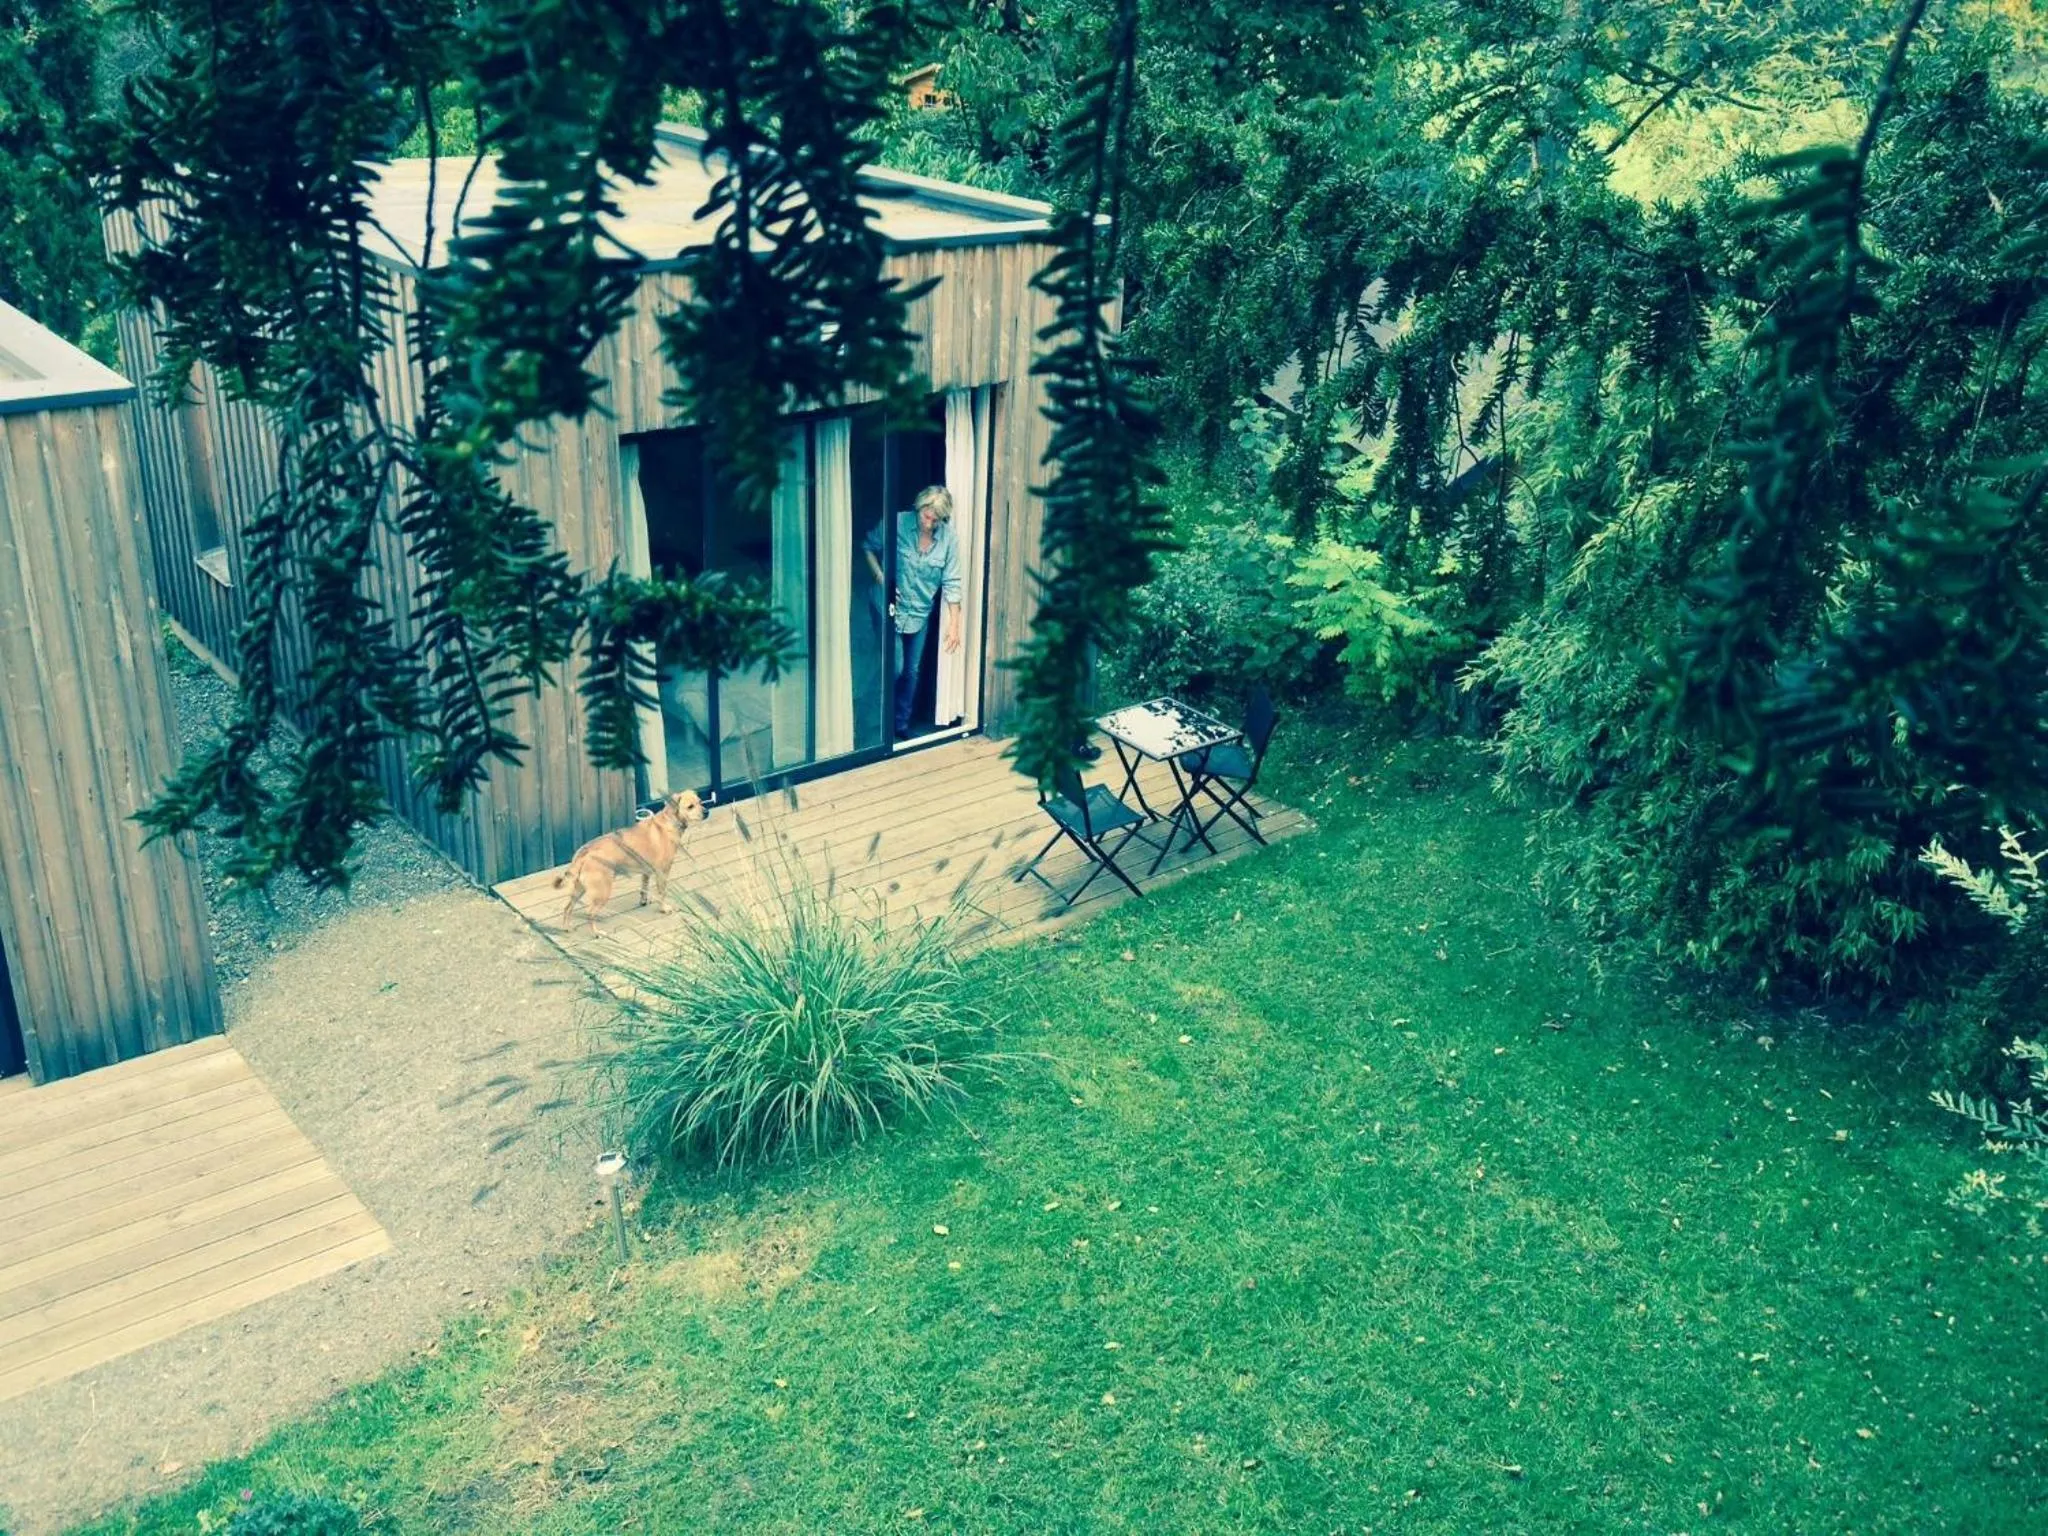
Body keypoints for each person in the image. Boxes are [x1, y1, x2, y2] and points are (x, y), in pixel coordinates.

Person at [864, 484, 964, 738]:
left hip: (919, 613)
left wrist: (955, 624)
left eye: (936, 519)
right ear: (918, 508)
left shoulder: (949, 539)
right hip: (886, 607)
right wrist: (880, 577)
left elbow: (952, 582)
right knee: (894, 666)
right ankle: (874, 720)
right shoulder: (896, 522)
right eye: (926, 516)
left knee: (911, 670)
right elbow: (868, 546)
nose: (929, 523)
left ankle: (900, 724)